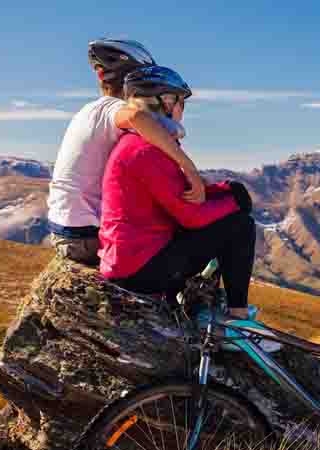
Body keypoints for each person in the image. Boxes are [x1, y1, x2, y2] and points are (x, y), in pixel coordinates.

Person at [98, 66, 255, 320]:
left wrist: (224, 192)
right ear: (166, 103)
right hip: (139, 268)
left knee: (227, 218)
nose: (183, 110)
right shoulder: (145, 151)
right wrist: (234, 201)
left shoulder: (139, 144)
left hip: (131, 260)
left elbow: (180, 193)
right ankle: (238, 318)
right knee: (240, 226)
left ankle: (199, 302)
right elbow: (191, 216)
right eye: (181, 102)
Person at [47, 39, 206, 265]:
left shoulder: (90, 111)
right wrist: (189, 169)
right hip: (85, 238)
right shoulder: (109, 108)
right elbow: (135, 116)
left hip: (69, 232)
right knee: (189, 231)